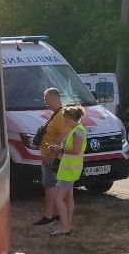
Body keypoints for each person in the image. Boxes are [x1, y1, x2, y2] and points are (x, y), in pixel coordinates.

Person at [44, 104, 88, 237]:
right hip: (69, 170)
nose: (63, 121)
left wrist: (60, 150)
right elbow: (73, 150)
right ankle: (67, 225)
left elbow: (75, 151)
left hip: (69, 171)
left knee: (58, 199)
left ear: (69, 118)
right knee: (68, 198)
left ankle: (65, 227)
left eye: (64, 118)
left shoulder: (77, 131)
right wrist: (59, 149)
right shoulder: (77, 130)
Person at [33, 87, 73, 227]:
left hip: (52, 157)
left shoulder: (61, 115)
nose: (46, 102)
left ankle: (48, 216)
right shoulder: (57, 114)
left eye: (47, 99)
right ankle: (56, 213)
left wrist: (50, 154)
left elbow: (62, 136)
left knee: (50, 185)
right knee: (54, 185)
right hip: (51, 156)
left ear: (55, 98)